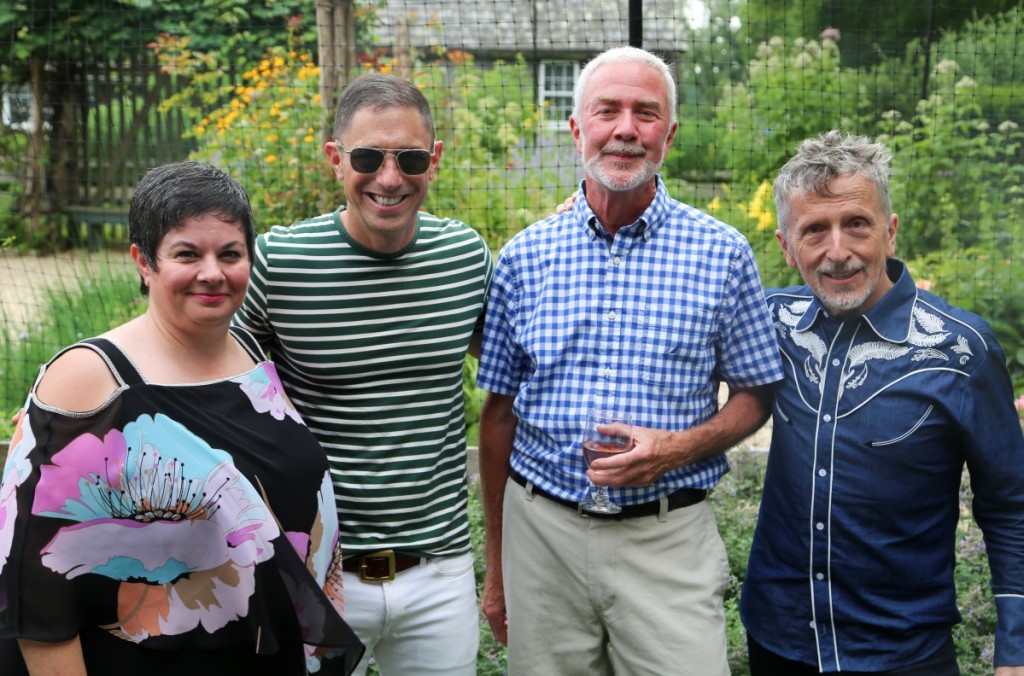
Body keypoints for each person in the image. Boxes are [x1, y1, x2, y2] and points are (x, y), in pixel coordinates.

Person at [475, 45, 784, 675]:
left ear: (668, 134)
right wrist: (500, 566)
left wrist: (676, 449)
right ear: (576, 128)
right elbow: (498, 414)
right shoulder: (524, 258)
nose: (625, 129)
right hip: (544, 538)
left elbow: (757, 395)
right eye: (606, 110)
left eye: (646, 114)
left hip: (666, 541)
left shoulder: (721, 255)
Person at [0, 161, 363, 675]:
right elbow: (32, 591)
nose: (212, 273)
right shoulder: (89, 379)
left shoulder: (249, 353)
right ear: (143, 263)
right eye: (187, 253)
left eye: (230, 254)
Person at [233, 73, 493, 675]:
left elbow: (527, 354)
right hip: (316, 566)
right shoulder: (282, 263)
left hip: (439, 572)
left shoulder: (464, 258)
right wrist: (90, 401)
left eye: (411, 157)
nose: (390, 176)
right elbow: (204, 363)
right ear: (335, 159)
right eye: (369, 156)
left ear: (436, 160)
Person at [741, 130, 1024, 675]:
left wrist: (1015, 645)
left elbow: (1011, 504)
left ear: (890, 232)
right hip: (778, 643)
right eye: (814, 231)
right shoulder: (770, 322)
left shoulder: (960, 350)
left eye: (857, 225)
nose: (838, 251)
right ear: (785, 246)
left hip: (903, 654)